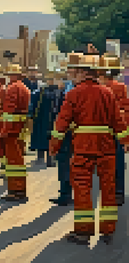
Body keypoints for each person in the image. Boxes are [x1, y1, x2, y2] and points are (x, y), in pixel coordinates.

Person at [49, 53, 129, 245]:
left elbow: (62, 123)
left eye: (73, 72)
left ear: (82, 73)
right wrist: (125, 140)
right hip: (106, 147)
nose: (71, 75)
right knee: (108, 188)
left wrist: (54, 146)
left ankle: (83, 232)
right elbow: (118, 121)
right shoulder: (108, 93)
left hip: (83, 147)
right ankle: (108, 229)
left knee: (82, 188)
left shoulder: (74, 93)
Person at [50, 58, 83, 206]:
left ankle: (67, 194)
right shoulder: (67, 87)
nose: (68, 74)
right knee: (65, 162)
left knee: (67, 162)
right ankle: (66, 192)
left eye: (71, 71)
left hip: (71, 132)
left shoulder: (74, 89)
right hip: (71, 131)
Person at [97, 55, 128, 206]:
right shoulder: (121, 87)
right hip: (116, 131)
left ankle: (108, 192)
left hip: (99, 133)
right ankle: (118, 193)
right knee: (118, 163)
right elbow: (125, 111)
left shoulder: (99, 88)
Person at [0, 63, 31, 202]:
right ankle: (20, 188)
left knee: (13, 162)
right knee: (19, 159)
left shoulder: (12, 88)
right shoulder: (25, 88)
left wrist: (4, 130)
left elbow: (9, 111)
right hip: (21, 128)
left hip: (12, 130)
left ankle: (15, 190)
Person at [28, 72, 64, 167]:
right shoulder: (55, 92)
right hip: (47, 118)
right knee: (47, 138)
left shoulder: (44, 92)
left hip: (47, 119)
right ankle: (45, 158)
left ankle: (46, 158)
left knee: (46, 138)